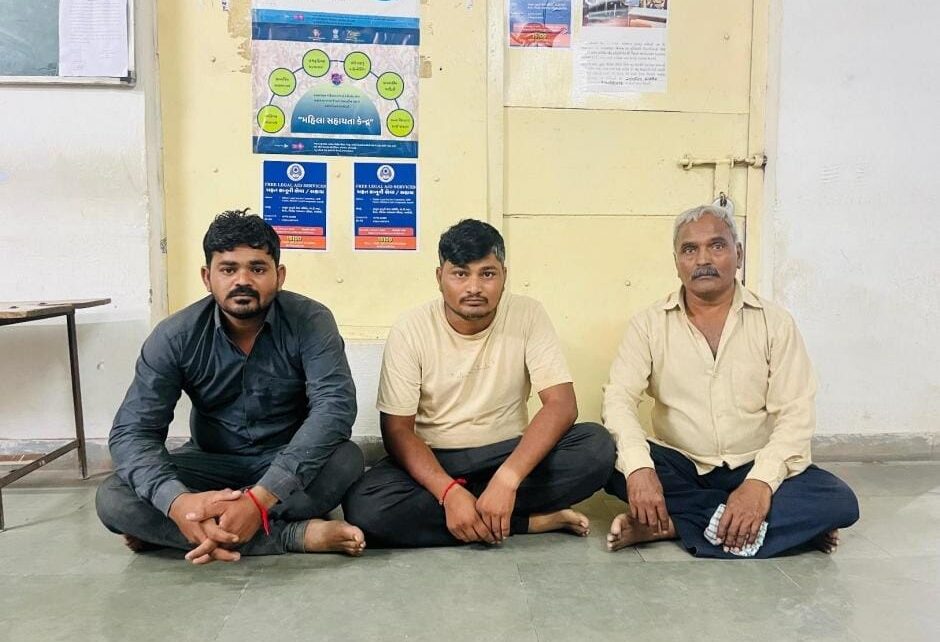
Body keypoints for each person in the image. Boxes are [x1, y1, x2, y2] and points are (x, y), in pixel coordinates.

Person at [96, 210, 365, 564]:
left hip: (286, 458)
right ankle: (292, 535)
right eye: (228, 269)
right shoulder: (175, 336)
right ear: (207, 277)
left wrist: (262, 497)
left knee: (346, 460)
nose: (243, 280)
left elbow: (334, 409)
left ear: (279, 275)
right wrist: (177, 502)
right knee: (113, 496)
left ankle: (184, 532)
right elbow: (133, 431)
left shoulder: (311, 321)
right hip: (211, 463)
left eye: (257, 268)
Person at [603, 204, 859, 558]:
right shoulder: (648, 325)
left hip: (754, 462)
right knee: (607, 459)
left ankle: (674, 525)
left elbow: (796, 414)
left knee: (838, 501)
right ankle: (777, 529)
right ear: (676, 262)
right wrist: (641, 469)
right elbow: (619, 399)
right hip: (683, 465)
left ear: (738, 254)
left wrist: (760, 482)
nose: (703, 259)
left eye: (717, 245)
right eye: (689, 249)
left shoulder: (775, 323)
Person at [343, 219, 615, 547]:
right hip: (439, 458)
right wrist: (448, 491)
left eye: (487, 274)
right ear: (439, 277)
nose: (474, 287)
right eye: (460, 274)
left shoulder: (527, 314)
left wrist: (508, 479)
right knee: (365, 505)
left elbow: (562, 405)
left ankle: (481, 509)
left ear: (504, 276)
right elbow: (397, 431)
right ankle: (525, 522)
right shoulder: (411, 328)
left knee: (596, 447)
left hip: (507, 453)